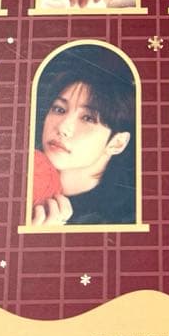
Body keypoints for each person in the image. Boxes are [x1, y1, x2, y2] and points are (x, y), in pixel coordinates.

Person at [32, 45, 136, 225]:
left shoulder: (121, 221)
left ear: (117, 143)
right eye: (59, 109)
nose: (63, 128)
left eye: (88, 118)